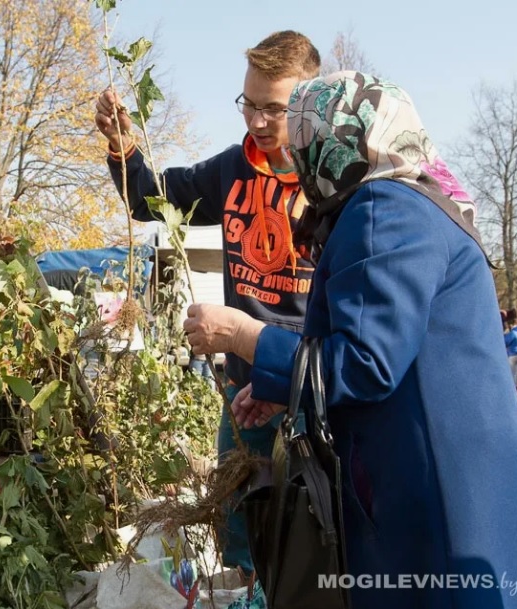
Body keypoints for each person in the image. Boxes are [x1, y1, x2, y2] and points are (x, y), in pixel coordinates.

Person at [188, 72, 517, 608]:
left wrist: (242, 335)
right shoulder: (417, 200)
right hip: (462, 477)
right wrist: (287, 387)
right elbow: (389, 347)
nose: (295, 160)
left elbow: (365, 362)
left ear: (333, 141)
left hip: (439, 491)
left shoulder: (385, 208)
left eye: (302, 142)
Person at [95, 30, 320, 575]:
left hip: (309, 396)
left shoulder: (328, 183)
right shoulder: (231, 169)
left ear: (310, 105)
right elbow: (151, 199)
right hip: (243, 397)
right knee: (239, 533)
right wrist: (124, 146)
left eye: (273, 109)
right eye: (249, 104)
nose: (257, 121)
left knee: (310, 541)